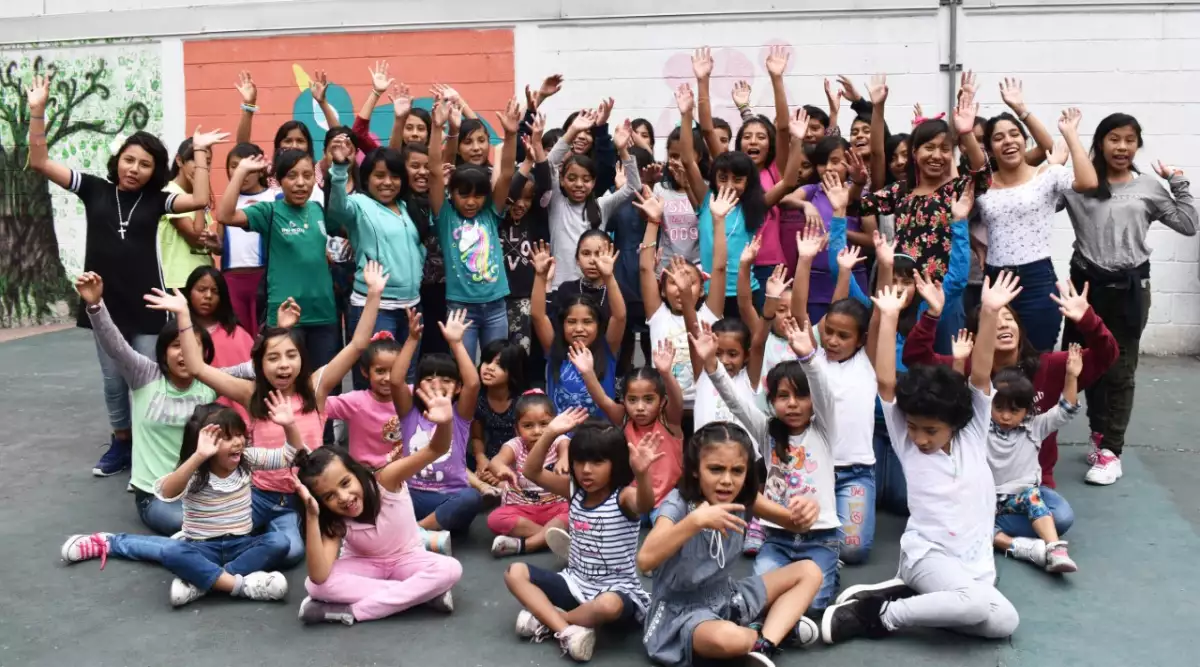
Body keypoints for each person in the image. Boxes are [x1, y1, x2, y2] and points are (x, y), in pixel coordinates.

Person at [26, 72, 226, 477]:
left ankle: (151, 443)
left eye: (145, 164)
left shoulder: (159, 199)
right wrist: (37, 112)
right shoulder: (94, 188)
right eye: (129, 160)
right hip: (103, 303)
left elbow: (201, 198)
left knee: (149, 378)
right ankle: (122, 444)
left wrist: (201, 155)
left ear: (155, 171)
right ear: (118, 161)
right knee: (114, 380)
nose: (134, 168)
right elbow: (40, 161)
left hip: (149, 302)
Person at [821, 273, 1022, 645]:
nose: (920, 438)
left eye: (930, 430)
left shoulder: (973, 432)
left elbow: (980, 375)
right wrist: (891, 317)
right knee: (974, 606)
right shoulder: (906, 440)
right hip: (926, 556)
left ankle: (912, 599)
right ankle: (877, 615)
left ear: (955, 423)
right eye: (914, 427)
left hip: (974, 565)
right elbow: (884, 381)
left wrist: (991, 311)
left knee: (1003, 622)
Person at [149, 261, 389, 565]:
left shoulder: (317, 388)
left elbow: (356, 345)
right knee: (213, 533)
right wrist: (184, 316)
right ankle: (213, 544)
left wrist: (373, 295)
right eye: (273, 358)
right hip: (256, 493)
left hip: (299, 498)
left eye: (291, 356)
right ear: (259, 366)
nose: (284, 365)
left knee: (292, 552)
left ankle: (238, 545)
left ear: (303, 359)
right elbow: (197, 368)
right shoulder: (252, 394)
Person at [1060, 112, 1198, 485]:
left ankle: (1111, 451)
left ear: (1137, 145)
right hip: (1084, 287)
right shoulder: (1078, 184)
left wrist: (1179, 182)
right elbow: (1036, 205)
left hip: (1129, 289)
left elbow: (1188, 224)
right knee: (1082, 367)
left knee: (1120, 372)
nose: (1122, 147)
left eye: (1130, 140)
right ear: (1101, 143)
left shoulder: (1148, 187)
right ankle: (1098, 434)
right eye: (1114, 139)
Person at [61, 404, 297, 607]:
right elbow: (166, 492)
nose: (237, 442)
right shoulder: (196, 472)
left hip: (240, 544)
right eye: (225, 438)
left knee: (279, 542)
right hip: (202, 547)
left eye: (238, 434)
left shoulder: (247, 459)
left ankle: (203, 582)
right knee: (172, 551)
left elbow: (291, 456)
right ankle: (239, 585)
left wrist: (289, 426)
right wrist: (199, 456)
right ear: (203, 445)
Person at [639, 423, 824, 666]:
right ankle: (763, 630)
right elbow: (645, 560)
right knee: (730, 640)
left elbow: (795, 524)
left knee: (809, 571)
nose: (727, 480)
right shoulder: (679, 505)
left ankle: (763, 644)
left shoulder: (743, 499)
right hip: (681, 614)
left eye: (737, 471)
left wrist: (808, 511)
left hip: (728, 598)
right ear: (695, 470)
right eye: (715, 469)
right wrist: (694, 522)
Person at [699, 317, 842, 615]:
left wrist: (808, 357)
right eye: (783, 396)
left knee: (813, 605)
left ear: (812, 400)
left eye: (801, 396)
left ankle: (829, 573)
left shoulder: (824, 429)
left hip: (820, 539)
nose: (792, 404)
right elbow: (736, 403)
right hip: (777, 538)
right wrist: (712, 365)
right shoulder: (766, 430)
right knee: (761, 598)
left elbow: (824, 392)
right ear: (771, 401)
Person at [293, 387, 462, 625]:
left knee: (450, 569)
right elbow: (319, 576)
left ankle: (350, 611)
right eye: (329, 496)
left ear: (356, 471)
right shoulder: (333, 519)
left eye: (345, 482)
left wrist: (445, 423)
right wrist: (312, 516)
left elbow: (436, 449)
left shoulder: (387, 480)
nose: (344, 497)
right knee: (315, 585)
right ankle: (420, 595)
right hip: (365, 566)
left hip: (407, 558)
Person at [503, 411, 658, 662]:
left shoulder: (623, 497)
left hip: (616, 591)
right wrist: (551, 433)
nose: (586, 470)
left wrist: (642, 474)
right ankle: (567, 632)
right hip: (574, 584)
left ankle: (550, 619)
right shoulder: (573, 490)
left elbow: (645, 503)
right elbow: (531, 472)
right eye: (580, 461)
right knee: (514, 572)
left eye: (597, 462)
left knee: (608, 606)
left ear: (616, 463)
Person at [73, 273, 217, 535]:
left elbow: (254, 371)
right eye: (176, 346)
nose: (184, 352)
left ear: (204, 354)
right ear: (163, 351)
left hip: (200, 491)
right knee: (194, 526)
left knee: (234, 522)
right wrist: (95, 306)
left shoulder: (209, 381)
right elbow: (115, 345)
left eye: (191, 346)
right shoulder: (145, 375)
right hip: (155, 494)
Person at [975, 92, 1097, 351]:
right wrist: (978, 247)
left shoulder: (1047, 174)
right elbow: (961, 218)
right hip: (995, 279)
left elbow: (1088, 182)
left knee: (1037, 357)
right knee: (997, 358)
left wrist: (1070, 136)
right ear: (989, 150)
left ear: (1024, 139)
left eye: (1014, 134)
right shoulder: (981, 184)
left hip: (1036, 279)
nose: (1008, 141)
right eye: (998, 138)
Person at [215, 150, 340, 373]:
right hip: (285, 316)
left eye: (307, 175)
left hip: (324, 315)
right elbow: (225, 215)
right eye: (292, 176)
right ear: (279, 181)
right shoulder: (269, 211)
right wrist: (241, 171)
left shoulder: (317, 210)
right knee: (287, 384)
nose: (300, 183)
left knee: (325, 388)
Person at [427, 96, 522, 359]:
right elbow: (435, 172)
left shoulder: (491, 213)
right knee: (463, 370)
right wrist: (437, 129)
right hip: (460, 308)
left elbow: (504, 174)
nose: (471, 202)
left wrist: (511, 134)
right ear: (451, 193)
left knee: (497, 368)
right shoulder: (445, 216)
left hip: (495, 306)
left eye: (478, 195)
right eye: (463, 195)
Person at [388, 310, 487, 550]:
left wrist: (456, 343)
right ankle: (426, 534)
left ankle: (416, 533)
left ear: (457, 387)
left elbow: (473, 383)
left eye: (446, 379)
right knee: (381, 491)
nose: (437, 384)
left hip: (450, 497)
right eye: (429, 378)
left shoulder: (460, 414)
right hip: (412, 494)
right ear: (417, 384)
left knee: (471, 498)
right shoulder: (409, 412)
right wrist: (412, 339)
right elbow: (395, 381)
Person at [986, 351, 1082, 573]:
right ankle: (1017, 546)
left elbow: (1065, 410)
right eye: (998, 408)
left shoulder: (1035, 427)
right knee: (960, 524)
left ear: (1028, 410)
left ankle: (1054, 549)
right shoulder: (980, 428)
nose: (1006, 417)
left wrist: (1071, 376)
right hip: (987, 501)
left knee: (1061, 515)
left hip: (1023, 498)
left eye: (1014, 410)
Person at [574, 340, 685, 515]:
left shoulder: (669, 422)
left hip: (667, 500)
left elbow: (677, 401)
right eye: (632, 400)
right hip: (635, 498)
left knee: (665, 527)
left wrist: (665, 374)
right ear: (624, 401)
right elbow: (603, 400)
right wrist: (587, 372)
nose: (640, 407)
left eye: (648, 399)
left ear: (662, 401)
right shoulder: (624, 419)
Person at [531, 240, 627, 417]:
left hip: (599, 435)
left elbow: (619, 316)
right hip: (561, 439)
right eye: (572, 322)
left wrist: (609, 277)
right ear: (563, 325)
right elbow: (538, 316)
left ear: (598, 325)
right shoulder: (555, 349)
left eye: (587, 322)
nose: (579, 328)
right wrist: (539, 276)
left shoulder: (607, 349)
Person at [486, 392, 570, 557]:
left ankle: (526, 544)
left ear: (555, 424)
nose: (537, 431)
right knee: (494, 519)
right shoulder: (515, 445)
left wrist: (564, 459)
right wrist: (502, 469)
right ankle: (552, 539)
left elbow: (566, 449)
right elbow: (495, 461)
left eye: (544, 424)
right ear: (517, 429)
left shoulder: (560, 441)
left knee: (575, 510)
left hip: (556, 508)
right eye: (528, 425)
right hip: (521, 509)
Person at [322, 332, 403, 469]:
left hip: (403, 476)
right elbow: (317, 403)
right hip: (366, 475)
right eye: (380, 371)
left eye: (394, 370)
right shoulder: (356, 402)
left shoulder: (411, 396)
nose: (388, 378)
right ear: (365, 372)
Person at [159, 138, 214, 290]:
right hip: (178, 281)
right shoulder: (170, 193)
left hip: (201, 281)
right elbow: (196, 238)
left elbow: (206, 242)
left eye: (207, 162)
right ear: (179, 160)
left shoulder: (197, 195)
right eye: (195, 160)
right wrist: (200, 194)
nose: (202, 167)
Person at [472, 340, 529, 479]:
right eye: (486, 361)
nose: (489, 367)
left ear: (513, 371)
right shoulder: (478, 400)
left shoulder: (523, 402)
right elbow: (476, 437)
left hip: (520, 461)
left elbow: (524, 444)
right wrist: (481, 459)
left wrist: (500, 470)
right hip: (488, 460)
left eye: (498, 364)